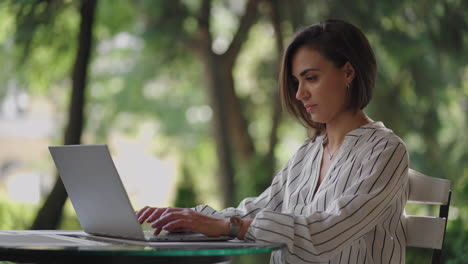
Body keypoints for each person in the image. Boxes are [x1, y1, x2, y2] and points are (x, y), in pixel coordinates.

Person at [136, 19, 409, 264]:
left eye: (311, 78)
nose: (300, 94)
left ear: (348, 73)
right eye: (295, 82)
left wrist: (230, 226)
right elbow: (256, 210)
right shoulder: (309, 152)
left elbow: (327, 233)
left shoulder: (386, 151)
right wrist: (190, 218)